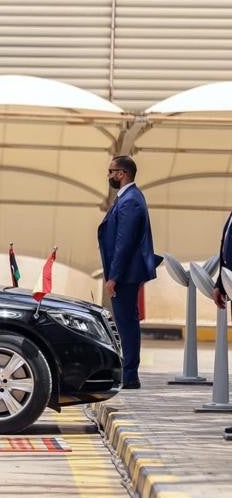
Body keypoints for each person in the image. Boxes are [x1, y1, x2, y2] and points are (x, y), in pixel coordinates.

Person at [97, 155, 161, 391]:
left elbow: (124, 242)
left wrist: (114, 276)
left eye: (111, 171)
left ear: (122, 173)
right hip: (124, 273)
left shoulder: (131, 200)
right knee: (125, 322)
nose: (109, 176)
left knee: (127, 323)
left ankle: (130, 374)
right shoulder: (126, 198)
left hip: (125, 275)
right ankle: (128, 372)